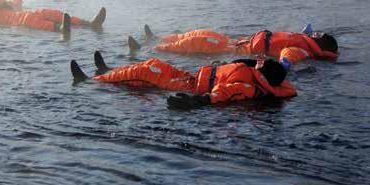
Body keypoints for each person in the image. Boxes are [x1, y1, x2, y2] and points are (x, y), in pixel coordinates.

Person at [70, 51, 296, 110]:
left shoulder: (248, 87)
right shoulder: (254, 75)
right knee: (155, 63)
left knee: (146, 73)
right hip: (191, 78)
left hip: (190, 87)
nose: (257, 63)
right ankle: (108, 72)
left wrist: (195, 102)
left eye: (260, 64)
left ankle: (92, 81)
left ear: (263, 73)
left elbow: (223, 93)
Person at [128, 24, 338, 70]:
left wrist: (282, 66)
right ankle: (157, 37)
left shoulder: (301, 49)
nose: (316, 33)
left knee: (198, 42)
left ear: (320, 42)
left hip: (234, 51)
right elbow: (303, 34)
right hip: (237, 42)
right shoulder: (305, 40)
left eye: (319, 35)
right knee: (202, 34)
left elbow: (287, 55)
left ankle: (147, 50)